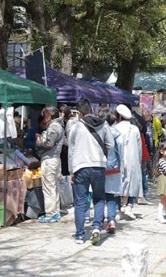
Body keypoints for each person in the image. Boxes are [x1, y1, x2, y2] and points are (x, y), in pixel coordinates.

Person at [68, 99, 114, 245]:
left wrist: (71, 171)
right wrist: (102, 155)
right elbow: (110, 144)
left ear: (79, 113)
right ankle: (96, 227)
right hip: (98, 166)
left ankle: (80, 235)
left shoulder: (76, 127)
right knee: (99, 198)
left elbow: (71, 151)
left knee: (80, 202)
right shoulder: (104, 124)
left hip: (80, 167)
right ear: (91, 110)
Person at [36, 106, 65, 223]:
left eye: (45, 115)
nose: (44, 118)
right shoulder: (59, 126)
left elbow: (48, 144)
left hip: (50, 159)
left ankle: (50, 213)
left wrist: (39, 140)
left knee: (48, 187)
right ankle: (55, 212)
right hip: (55, 159)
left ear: (50, 115)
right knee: (53, 186)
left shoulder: (53, 127)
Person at [98, 107, 124, 234]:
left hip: (99, 166)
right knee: (111, 195)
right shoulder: (117, 134)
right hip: (114, 168)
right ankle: (112, 220)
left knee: (100, 195)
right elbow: (121, 152)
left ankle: (100, 220)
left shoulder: (98, 133)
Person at [115, 104, 143, 221]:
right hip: (133, 161)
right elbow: (139, 147)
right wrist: (139, 161)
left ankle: (117, 210)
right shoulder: (135, 129)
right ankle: (129, 207)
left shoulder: (115, 128)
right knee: (133, 183)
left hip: (119, 160)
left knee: (117, 185)